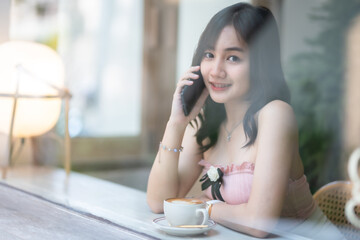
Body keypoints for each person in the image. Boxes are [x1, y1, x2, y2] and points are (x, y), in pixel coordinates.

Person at [147, 2, 345, 239]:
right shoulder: (205, 122)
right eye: (209, 55)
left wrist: (203, 204)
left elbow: (259, 224)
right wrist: (176, 123)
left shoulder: (275, 115)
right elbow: (159, 202)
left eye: (232, 58)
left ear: (260, 64)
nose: (216, 71)